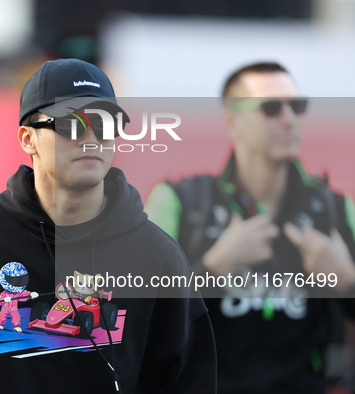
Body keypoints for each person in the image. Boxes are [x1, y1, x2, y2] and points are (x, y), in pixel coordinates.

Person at [0, 58, 216, 393]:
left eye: (104, 123)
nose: (91, 137)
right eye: (72, 123)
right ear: (28, 139)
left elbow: (189, 381)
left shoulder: (156, 255)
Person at [145, 62, 355, 393]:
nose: (289, 119)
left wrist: (347, 282)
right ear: (232, 121)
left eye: (297, 106)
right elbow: (139, 317)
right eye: (271, 108)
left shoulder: (335, 208)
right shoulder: (179, 202)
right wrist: (212, 270)